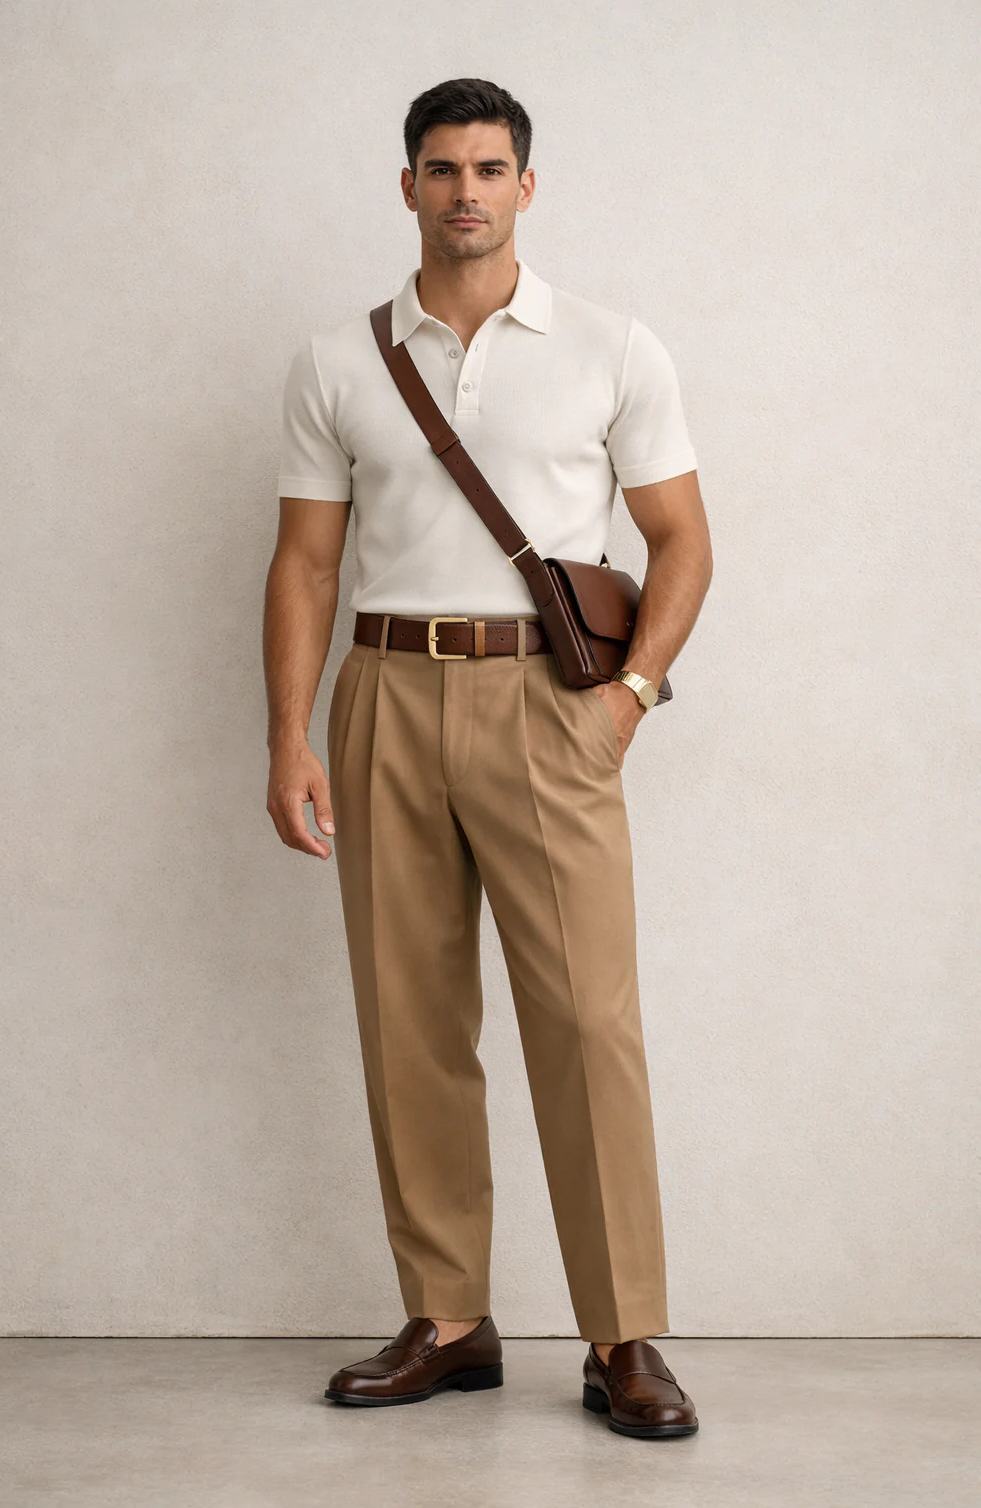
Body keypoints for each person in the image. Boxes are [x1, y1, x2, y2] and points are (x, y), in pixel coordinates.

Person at [263, 76, 713, 1440]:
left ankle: (623, 1335)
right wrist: (290, 731)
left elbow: (683, 538)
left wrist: (628, 695)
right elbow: (303, 561)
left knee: (587, 1022)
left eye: (491, 167)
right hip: (387, 691)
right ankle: (449, 1319)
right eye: (442, 167)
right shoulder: (339, 362)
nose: (467, 189)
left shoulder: (610, 346)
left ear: (529, 187)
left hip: (547, 704)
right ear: (406, 186)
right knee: (411, 1019)